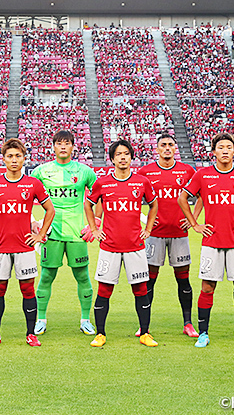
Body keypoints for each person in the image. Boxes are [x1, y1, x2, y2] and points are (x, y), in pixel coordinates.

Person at [179, 132, 234, 349]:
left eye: (229, 147)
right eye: (221, 147)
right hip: (212, 241)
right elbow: (183, 198)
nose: (225, 150)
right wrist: (195, 224)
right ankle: (204, 333)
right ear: (214, 152)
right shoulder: (203, 175)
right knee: (207, 288)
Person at [0, 138, 55, 347]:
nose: (14, 160)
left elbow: (50, 210)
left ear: (24, 159)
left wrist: (40, 235)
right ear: (3, 159)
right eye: (10, 156)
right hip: (0, 247)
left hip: (24, 248)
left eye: (18, 156)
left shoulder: (33, 183)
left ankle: (30, 333)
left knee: (27, 290)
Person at [84, 140, 159, 348]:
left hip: (135, 246)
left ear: (131, 157)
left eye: (126, 153)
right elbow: (89, 204)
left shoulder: (142, 182)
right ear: (113, 158)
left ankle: (145, 333)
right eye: (119, 154)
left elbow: (154, 204)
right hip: (110, 246)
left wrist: (148, 229)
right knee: (104, 290)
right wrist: (94, 228)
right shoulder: (103, 183)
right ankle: (100, 334)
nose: (123, 157)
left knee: (141, 289)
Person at [30, 130, 97, 336]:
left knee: (83, 277)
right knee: (47, 276)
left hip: (77, 234)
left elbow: (99, 196)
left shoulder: (84, 171)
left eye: (67, 143)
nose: (63, 147)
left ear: (73, 147)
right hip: (51, 234)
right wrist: (33, 222)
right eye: (59, 143)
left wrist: (95, 224)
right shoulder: (41, 171)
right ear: (53, 146)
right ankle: (41, 319)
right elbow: (24, 197)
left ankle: (85, 320)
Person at [139, 133, 200, 338]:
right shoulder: (146, 172)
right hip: (154, 234)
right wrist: (144, 219)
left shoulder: (187, 171)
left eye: (170, 145)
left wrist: (193, 219)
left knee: (183, 280)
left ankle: (188, 323)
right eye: (163, 145)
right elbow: (131, 197)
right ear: (156, 149)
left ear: (176, 148)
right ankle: (144, 326)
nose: (167, 148)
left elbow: (202, 195)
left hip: (179, 234)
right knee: (149, 281)